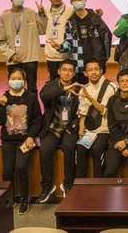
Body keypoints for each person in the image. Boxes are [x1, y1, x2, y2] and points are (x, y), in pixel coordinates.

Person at [0, 68, 42, 215]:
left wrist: (31, 136)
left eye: (19, 78)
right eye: (13, 78)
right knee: (7, 171)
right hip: (8, 140)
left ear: (24, 81)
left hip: (24, 141)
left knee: (21, 168)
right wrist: (1, 105)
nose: (16, 81)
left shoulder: (31, 97)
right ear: (9, 81)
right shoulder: (4, 98)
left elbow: (37, 120)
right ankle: (8, 198)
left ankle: (24, 199)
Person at [37, 59, 80, 203]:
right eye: (64, 70)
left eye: (70, 70)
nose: (67, 73)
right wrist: (64, 89)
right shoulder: (50, 85)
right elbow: (44, 96)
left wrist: (75, 124)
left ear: (74, 73)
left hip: (68, 128)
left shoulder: (79, 88)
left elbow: (81, 110)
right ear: (58, 71)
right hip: (53, 127)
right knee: (45, 149)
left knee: (69, 147)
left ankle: (68, 184)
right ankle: (47, 186)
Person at [0, 0, 47, 94]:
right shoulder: (5, 16)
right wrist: (11, 55)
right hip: (13, 58)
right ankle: (15, 104)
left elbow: (43, 30)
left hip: (30, 57)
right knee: (15, 86)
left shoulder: (31, 12)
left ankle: (33, 105)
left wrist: (42, 14)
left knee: (32, 87)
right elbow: (1, 40)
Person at [60, 0, 112, 84]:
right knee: (81, 89)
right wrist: (60, 47)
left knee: (97, 88)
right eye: (75, 0)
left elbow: (106, 37)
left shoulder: (95, 18)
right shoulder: (70, 22)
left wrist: (105, 58)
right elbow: (68, 41)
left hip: (96, 61)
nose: (78, 2)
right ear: (71, 2)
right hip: (79, 62)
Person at [75, 60, 116, 178]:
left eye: (96, 69)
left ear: (101, 70)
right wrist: (81, 130)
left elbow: (104, 110)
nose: (93, 72)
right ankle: (81, 184)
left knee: (97, 149)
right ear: (85, 73)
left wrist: (89, 97)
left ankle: (99, 183)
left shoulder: (110, 87)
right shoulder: (84, 89)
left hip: (105, 130)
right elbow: (83, 113)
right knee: (80, 148)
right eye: (90, 70)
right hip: (90, 131)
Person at [44, 0, 72, 81]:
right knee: (53, 82)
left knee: (67, 81)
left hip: (66, 55)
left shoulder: (70, 11)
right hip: (51, 55)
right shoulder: (45, 11)